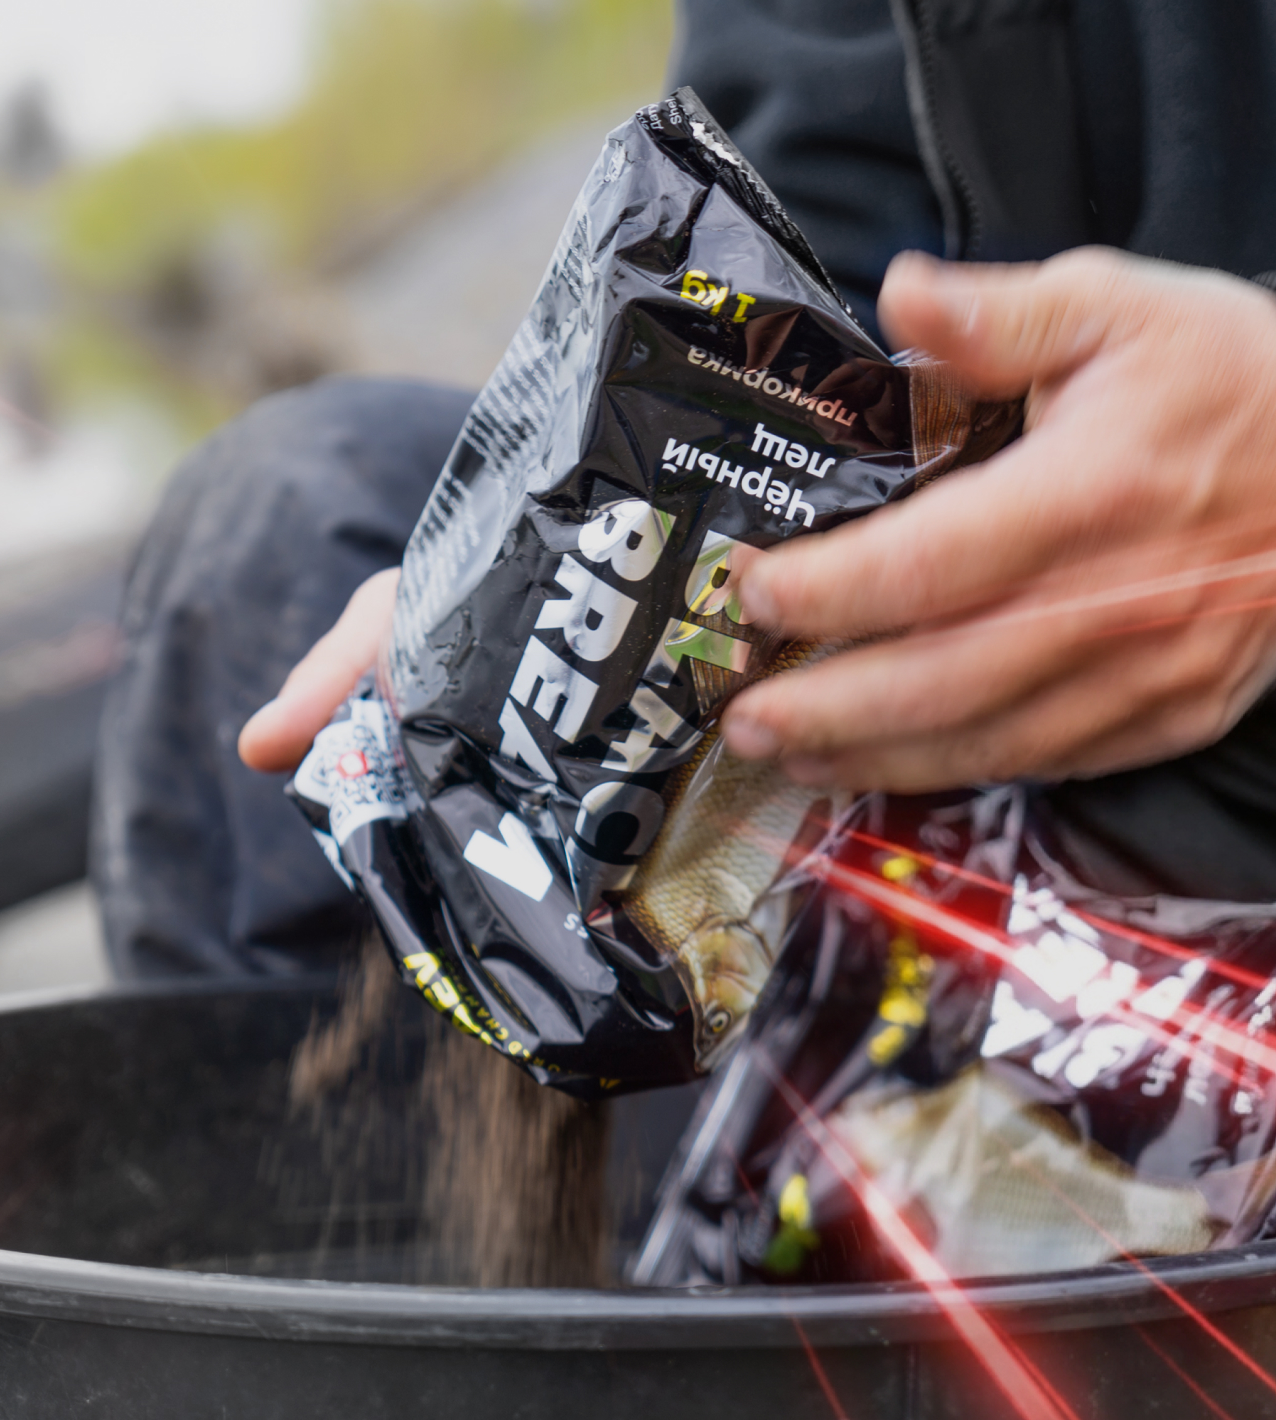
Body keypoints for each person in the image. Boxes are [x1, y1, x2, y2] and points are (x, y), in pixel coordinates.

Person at [93, 0, 1276, 981]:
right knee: (287, 521)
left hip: (1229, 788)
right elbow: (793, 272)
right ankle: (289, 1178)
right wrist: (529, 572)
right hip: (920, 673)